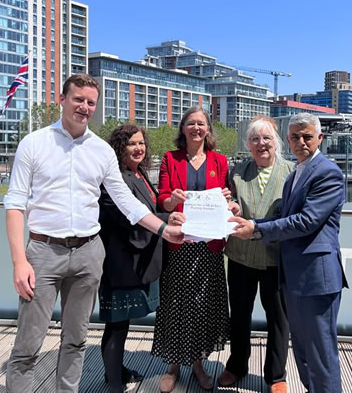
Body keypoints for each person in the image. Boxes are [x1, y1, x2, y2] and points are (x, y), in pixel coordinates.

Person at [3, 74, 183, 393]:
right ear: (62, 99)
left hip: (88, 254)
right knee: (28, 345)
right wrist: (19, 261)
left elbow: (126, 202)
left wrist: (164, 229)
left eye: (90, 102)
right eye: (78, 99)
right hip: (43, 253)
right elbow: (15, 203)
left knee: (76, 340)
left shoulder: (101, 151)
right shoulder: (34, 143)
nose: (84, 107)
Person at [230, 113, 348, 393]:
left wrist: (256, 229)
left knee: (320, 354)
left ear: (320, 138)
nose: (300, 142)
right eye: (295, 136)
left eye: (307, 136)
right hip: (295, 275)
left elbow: (306, 222)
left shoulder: (327, 171)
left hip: (316, 277)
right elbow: (287, 215)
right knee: (305, 352)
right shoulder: (298, 172)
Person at [98, 124, 184, 393]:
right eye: (131, 144)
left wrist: (169, 208)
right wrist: (165, 220)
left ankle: (118, 370)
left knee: (122, 323)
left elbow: (151, 207)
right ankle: (113, 383)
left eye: (141, 143)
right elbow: (127, 217)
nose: (138, 148)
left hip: (139, 261)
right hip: (120, 263)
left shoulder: (140, 174)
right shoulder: (114, 178)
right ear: (119, 148)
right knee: (116, 325)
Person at [151, 105, 231, 392]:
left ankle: (197, 362)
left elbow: (227, 200)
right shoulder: (170, 159)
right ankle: (173, 364)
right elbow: (162, 201)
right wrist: (172, 201)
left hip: (208, 248)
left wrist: (226, 198)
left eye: (201, 124)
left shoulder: (220, 161)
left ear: (208, 129)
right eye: (191, 123)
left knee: (202, 304)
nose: (196, 128)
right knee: (175, 303)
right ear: (183, 129)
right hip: (179, 246)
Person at [219, 117, 293, 393]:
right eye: (255, 139)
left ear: (276, 142)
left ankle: (276, 375)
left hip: (276, 258)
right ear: (248, 145)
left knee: (278, 319)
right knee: (239, 315)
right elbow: (231, 203)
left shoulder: (291, 173)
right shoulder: (238, 171)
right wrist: (233, 207)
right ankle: (237, 365)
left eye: (266, 138)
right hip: (241, 256)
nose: (261, 144)